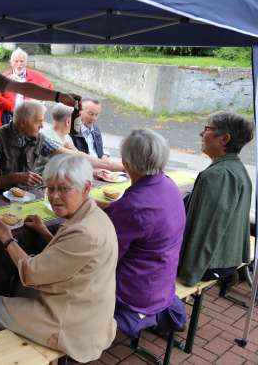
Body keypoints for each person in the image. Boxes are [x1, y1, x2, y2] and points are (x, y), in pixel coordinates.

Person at [0, 154, 117, 362]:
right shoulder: (95, 216)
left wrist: (6, 238)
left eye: (63, 189)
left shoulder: (83, 232)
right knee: (19, 289)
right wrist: (44, 232)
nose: (54, 197)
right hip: (88, 311)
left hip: (73, 326)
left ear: (87, 188)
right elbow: (73, 258)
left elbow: (32, 273)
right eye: (50, 189)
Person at [100, 129, 186, 337]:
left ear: (126, 164)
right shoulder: (169, 185)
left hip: (134, 292)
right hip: (163, 282)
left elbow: (104, 255)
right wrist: (99, 207)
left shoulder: (133, 206)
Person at [178, 112, 253, 286]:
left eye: (207, 129)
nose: (201, 134)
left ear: (224, 138)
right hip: (222, 260)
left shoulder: (219, 175)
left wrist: (189, 275)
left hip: (211, 265)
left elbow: (210, 229)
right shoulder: (234, 167)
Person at [0, 102, 123, 192]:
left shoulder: (38, 137)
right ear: (22, 123)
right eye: (39, 122)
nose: (42, 126)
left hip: (28, 195)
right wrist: (15, 178)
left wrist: (110, 165)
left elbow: (70, 155)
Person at [0, 47, 53, 137]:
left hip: (28, 118)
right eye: (16, 61)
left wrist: (40, 102)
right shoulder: (4, 77)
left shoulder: (34, 75)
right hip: (3, 121)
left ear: (26, 62)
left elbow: (49, 87)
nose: (19, 64)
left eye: (22, 61)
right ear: (11, 63)